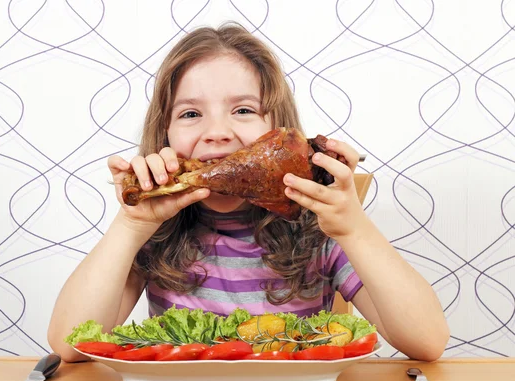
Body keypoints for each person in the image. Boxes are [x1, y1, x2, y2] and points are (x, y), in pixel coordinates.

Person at [47, 22, 449, 362]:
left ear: (278, 131)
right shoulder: (155, 233)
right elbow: (71, 345)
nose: (218, 131)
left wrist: (353, 228)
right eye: (190, 114)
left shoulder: (319, 229)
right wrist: (130, 225)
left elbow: (427, 342)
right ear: (164, 135)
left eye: (243, 110)